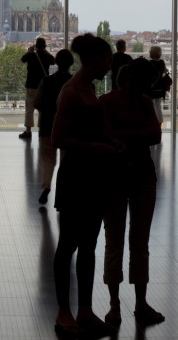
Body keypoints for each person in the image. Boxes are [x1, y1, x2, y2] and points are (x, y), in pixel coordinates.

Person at [51, 33, 120, 337]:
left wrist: (112, 143)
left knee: (89, 246)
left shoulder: (88, 89)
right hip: (77, 177)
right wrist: (98, 146)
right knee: (68, 245)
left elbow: (96, 130)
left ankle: (84, 310)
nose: (109, 67)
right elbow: (58, 139)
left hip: (93, 177)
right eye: (106, 60)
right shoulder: (71, 92)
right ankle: (65, 311)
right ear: (94, 60)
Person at [99, 58, 164, 327]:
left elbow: (113, 134)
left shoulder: (107, 103)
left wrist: (124, 136)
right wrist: (139, 134)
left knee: (115, 242)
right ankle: (139, 304)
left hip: (115, 175)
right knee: (139, 243)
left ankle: (116, 305)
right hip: (141, 174)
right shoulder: (145, 104)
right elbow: (152, 134)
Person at [33, 48, 74, 204]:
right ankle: (65, 193)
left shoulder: (47, 81)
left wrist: (47, 111)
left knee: (48, 160)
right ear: (71, 64)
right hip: (67, 128)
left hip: (47, 126)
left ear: (56, 63)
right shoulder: (73, 82)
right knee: (66, 160)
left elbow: (36, 102)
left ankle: (46, 187)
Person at [19, 37, 55, 140]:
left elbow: (22, 59)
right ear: (44, 46)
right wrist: (46, 51)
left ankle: (28, 131)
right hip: (43, 87)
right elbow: (53, 61)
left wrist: (30, 51)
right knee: (42, 110)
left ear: (36, 45)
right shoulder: (47, 56)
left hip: (31, 86)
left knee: (29, 109)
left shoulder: (31, 55)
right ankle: (42, 130)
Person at [148, 46, 168, 124]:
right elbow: (165, 71)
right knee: (158, 106)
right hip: (160, 87)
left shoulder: (150, 63)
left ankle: (152, 121)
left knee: (152, 105)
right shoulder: (162, 62)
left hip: (152, 87)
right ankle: (159, 122)